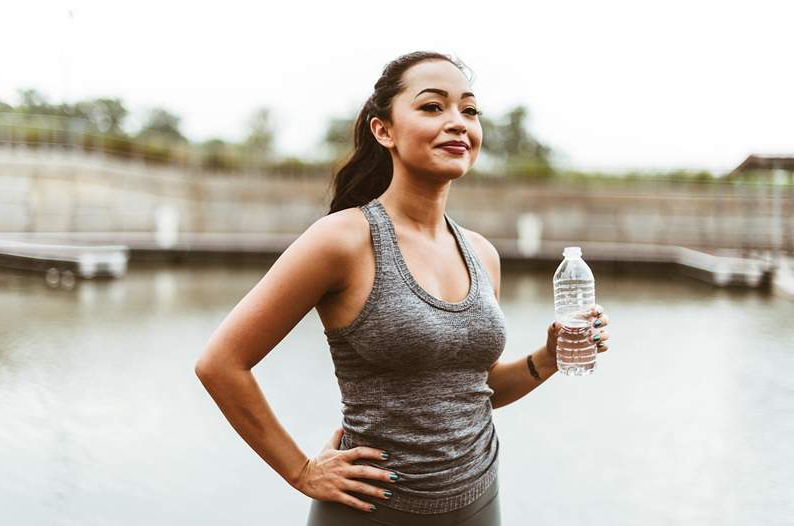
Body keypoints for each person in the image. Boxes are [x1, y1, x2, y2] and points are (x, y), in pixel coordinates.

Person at [194, 50, 611, 526]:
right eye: (433, 107)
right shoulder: (343, 240)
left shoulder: (481, 253)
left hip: (479, 501)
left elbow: (478, 389)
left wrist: (549, 358)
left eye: (469, 110)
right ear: (383, 130)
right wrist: (301, 471)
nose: (457, 122)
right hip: (371, 512)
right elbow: (221, 364)